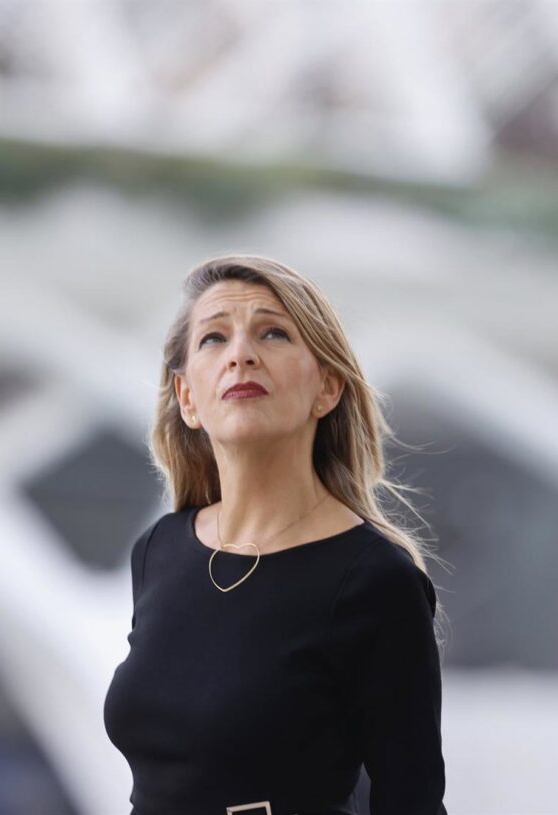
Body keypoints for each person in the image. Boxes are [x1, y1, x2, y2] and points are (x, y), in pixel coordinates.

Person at [104, 256, 446, 815]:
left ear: (327, 387)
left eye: (273, 332)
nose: (241, 353)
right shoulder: (160, 551)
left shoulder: (374, 579)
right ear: (188, 398)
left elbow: (412, 802)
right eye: (214, 338)